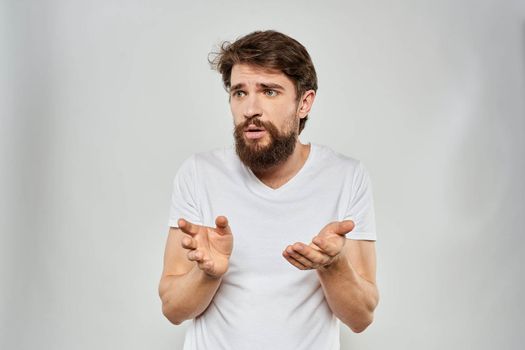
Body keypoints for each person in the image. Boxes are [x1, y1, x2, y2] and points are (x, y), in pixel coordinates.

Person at [158, 30, 379, 350]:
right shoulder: (199, 174)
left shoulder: (346, 177)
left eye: (269, 92)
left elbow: (361, 317)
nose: (250, 109)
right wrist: (208, 275)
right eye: (239, 93)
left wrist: (333, 266)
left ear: (304, 102)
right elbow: (173, 310)